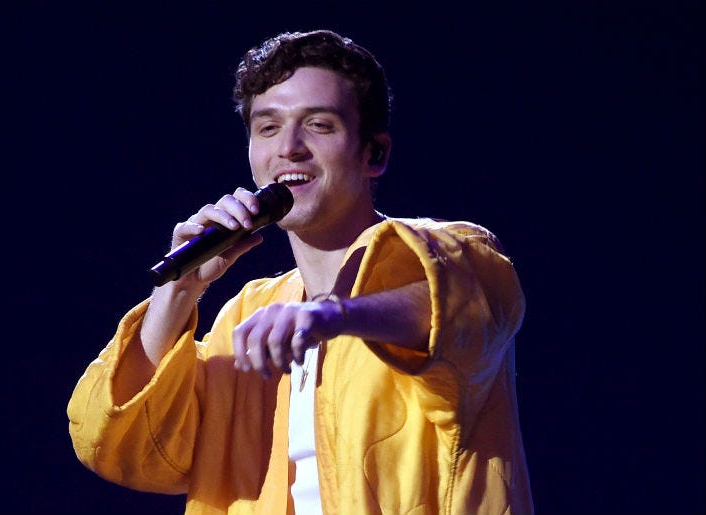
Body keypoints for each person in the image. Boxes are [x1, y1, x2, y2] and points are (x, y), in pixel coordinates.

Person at [67, 29, 534, 515]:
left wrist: (332, 316)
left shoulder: (457, 253)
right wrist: (180, 292)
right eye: (268, 128)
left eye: (319, 125)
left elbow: (454, 308)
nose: (289, 147)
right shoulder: (246, 316)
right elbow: (124, 450)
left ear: (374, 152)